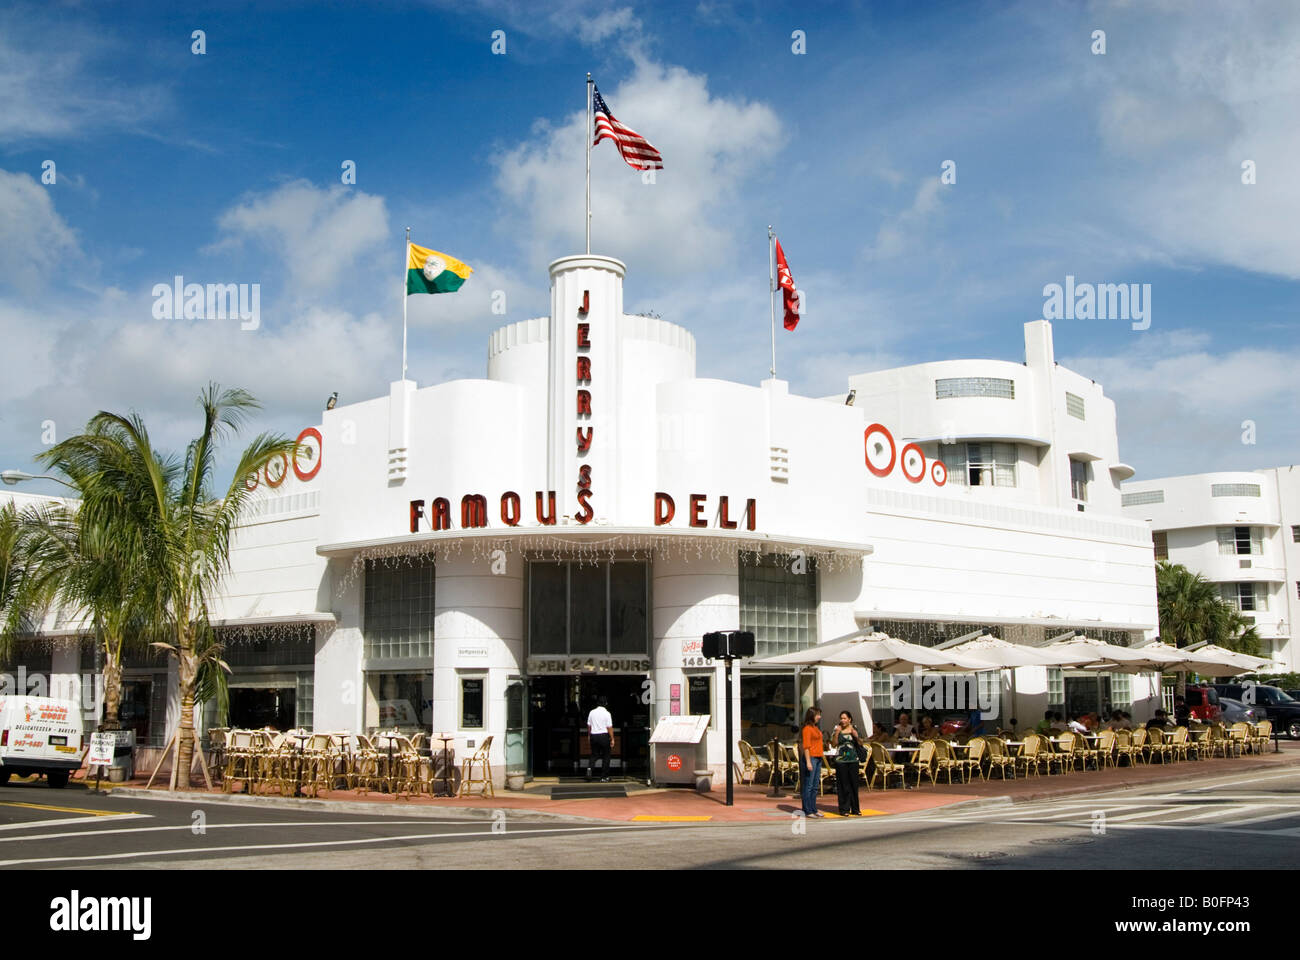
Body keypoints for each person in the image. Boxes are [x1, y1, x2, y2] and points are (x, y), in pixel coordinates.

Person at [830, 711, 863, 816]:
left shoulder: (854, 729)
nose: (842, 720)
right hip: (841, 761)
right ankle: (844, 809)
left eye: (844, 718)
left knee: (854, 784)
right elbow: (834, 744)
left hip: (853, 760)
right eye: (841, 718)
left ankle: (855, 808)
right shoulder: (837, 729)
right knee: (843, 785)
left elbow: (861, 743)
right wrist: (836, 733)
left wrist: (856, 736)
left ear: (849, 719)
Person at [799, 706, 825, 818]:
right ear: (812, 716)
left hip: (818, 757)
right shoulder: (807, 729)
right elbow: (806, 746)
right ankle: (807, 809)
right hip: (812, 758)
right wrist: (808, 762)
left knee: (815, 785)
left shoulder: (815, 728)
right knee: (808, 785)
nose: (819, 717)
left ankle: (813, 808)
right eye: (817, 714)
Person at [587, 696, 613, 782]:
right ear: (605, 703)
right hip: (604, 736)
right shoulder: (607, 713)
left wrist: (589, 735)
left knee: (594, 754)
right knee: (606, 756)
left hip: (593, 735)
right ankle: (604, 777)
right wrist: (612, 738)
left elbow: (589, 725)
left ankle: (590, 769)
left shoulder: (592, 712)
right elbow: (609, 727)